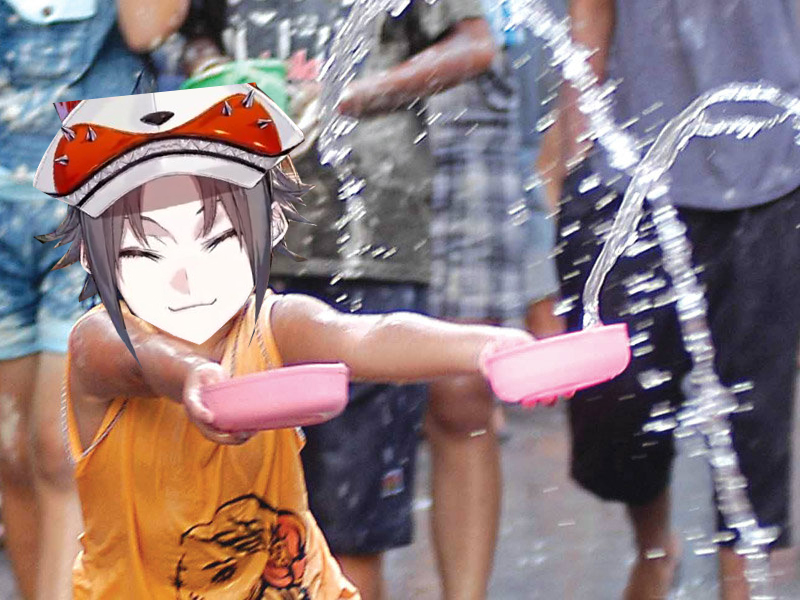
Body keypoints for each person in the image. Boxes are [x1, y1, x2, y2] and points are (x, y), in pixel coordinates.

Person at [33, 83, 536, 599]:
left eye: (217, 240)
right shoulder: (98, 338)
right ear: (93, 256)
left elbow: (365, 335)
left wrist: (485, 347)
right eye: (147, 252)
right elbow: (139, 359)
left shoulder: (272, 325)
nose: (186, 276)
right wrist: (189, 375)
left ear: (269, 226)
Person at [177, 3, 500, 598]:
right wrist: (219, 75)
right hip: (242, 245)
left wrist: (350, 95)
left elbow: (474, 45)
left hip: (369, 241)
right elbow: (194, 37)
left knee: (348, 535)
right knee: (241, 526)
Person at [555, 1, 800, 598]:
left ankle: (740, 585)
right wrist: (566, 157)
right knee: (618, 405)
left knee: (755, 423)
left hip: (777, 170)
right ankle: (656, 545)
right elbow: (590, 14)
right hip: (630, 169)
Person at [0, 1, 186, 598]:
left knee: (61, 448)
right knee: (9, 451)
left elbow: (146, 27)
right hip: (5, 209)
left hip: (96, 200)